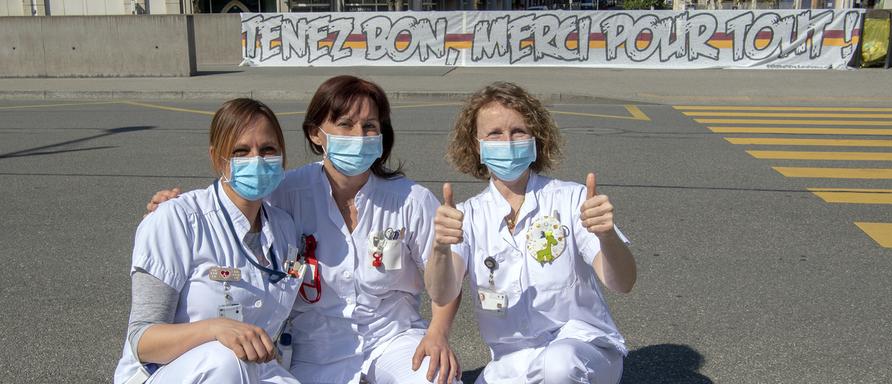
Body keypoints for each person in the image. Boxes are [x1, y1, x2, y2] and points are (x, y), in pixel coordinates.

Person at [145, 76, 461, 384]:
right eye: (345, 125)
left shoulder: (410, 199)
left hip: (393, 339)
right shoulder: (285, 192)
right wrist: (173, 204)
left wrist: (438, 333)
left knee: (434, 379)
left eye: (369, 126)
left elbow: (444, 287)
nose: (359, 136)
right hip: (315, 354)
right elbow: (236, 195)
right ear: (316, 133)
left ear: (382, 135)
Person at [426, 82, 637, 384]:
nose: (508, 142)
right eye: (495, 133)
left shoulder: (572, 199)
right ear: (476, 144)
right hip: (511, 365)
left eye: (518, 131)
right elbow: (442, 292)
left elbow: (623, 282)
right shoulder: (467, 215)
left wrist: (607, 236)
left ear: (536, 138)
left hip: (583, 351)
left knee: (559, 365)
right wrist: (440, 249)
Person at [114, 98, 304, 384]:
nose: (257, 160)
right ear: (218, 159)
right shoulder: (177, 219)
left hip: (255, 371)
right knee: (224, 361)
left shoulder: (284, 227)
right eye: (241, 151)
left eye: (268, 150)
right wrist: (216, 329)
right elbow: (144, 340)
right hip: (170, 372)